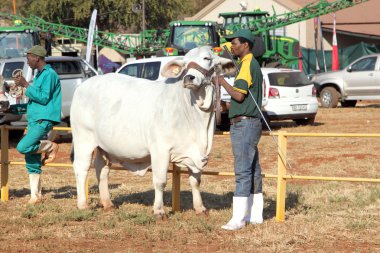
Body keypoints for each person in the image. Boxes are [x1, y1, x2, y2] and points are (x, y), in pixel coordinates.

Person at [212, 29, 264, 230]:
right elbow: (242, 99)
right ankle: (255, 215)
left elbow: (240, 96)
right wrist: (224, 106)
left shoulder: (247, 64)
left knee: (243, 171)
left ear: (246, 45)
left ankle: (238, 219)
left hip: (244, 125)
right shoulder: (249, 63)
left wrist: (221, 81)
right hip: (250, 122)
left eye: (234, 43)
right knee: (253, 170)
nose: (231, 47)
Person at [13, 45, 62, 205]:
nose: (27, 62)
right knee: (32, 158)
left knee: (22, 147)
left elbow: (43, 98)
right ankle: (36, 195)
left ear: (37, 58)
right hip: (34, 119)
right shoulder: (40, 75)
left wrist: (26, 85)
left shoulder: (49, 74)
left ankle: (50, 147)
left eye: (29, 58)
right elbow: (35, 98)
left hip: (43, 119)